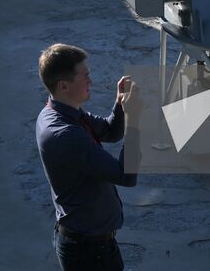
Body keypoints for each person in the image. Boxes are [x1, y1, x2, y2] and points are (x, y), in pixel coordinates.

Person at [36, 44, 140, 271]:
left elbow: (111, 131)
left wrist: (121, 104)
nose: (90, 81)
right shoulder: (65, 133)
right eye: (85, 77)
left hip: (91, 244)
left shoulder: (63, 111)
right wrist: (136, 122)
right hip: (89, 253)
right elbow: (126, 175)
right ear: (64, 86)